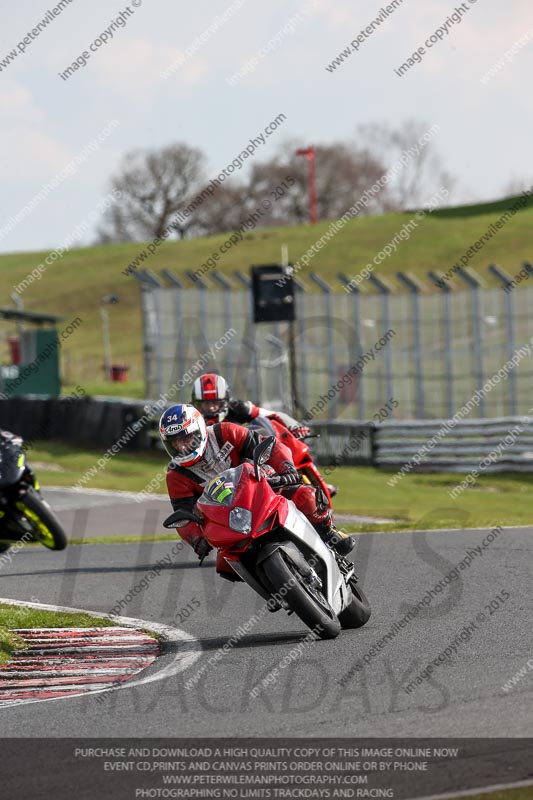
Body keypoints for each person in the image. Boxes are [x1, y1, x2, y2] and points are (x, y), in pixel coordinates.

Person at [160, 404, 355, 580]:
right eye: (175, 443)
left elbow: (270, 445)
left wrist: (287, 469)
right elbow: (183, 515)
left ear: (199, 431)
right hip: (231, 520)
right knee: (226, 565)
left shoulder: (223, 431)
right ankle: (273, 584)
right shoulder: (175, 476)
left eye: (186, 438)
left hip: (265, 489)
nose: (183, 446)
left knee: (306, 497)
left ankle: (329, 532)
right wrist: (196, 539)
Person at [191, 373, 310, 438]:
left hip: (244, 457)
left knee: (263, 421)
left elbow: (271, 415)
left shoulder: (238, 407)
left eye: (215, 403)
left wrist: (294, 425)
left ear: (224, 400)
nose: (211, 407)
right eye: (206, 403)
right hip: (212, 466)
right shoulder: (189, 416)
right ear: (197, 403)